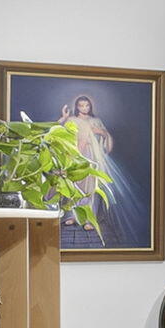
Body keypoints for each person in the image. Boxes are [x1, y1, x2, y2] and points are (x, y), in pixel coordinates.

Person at [59, 93, 116, 228]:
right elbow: (61, 134)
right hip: (76, 154)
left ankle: (89, 219)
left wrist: (101, 132)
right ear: (77, 107)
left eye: (86, 105)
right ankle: (72, 215)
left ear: (90, 106)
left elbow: (106, 137)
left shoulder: (95, 121)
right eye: (81, 105)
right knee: (74, 183)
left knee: (91, 185)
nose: (84, 108)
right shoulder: (72, 120)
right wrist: (64, 118)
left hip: (92, 155)